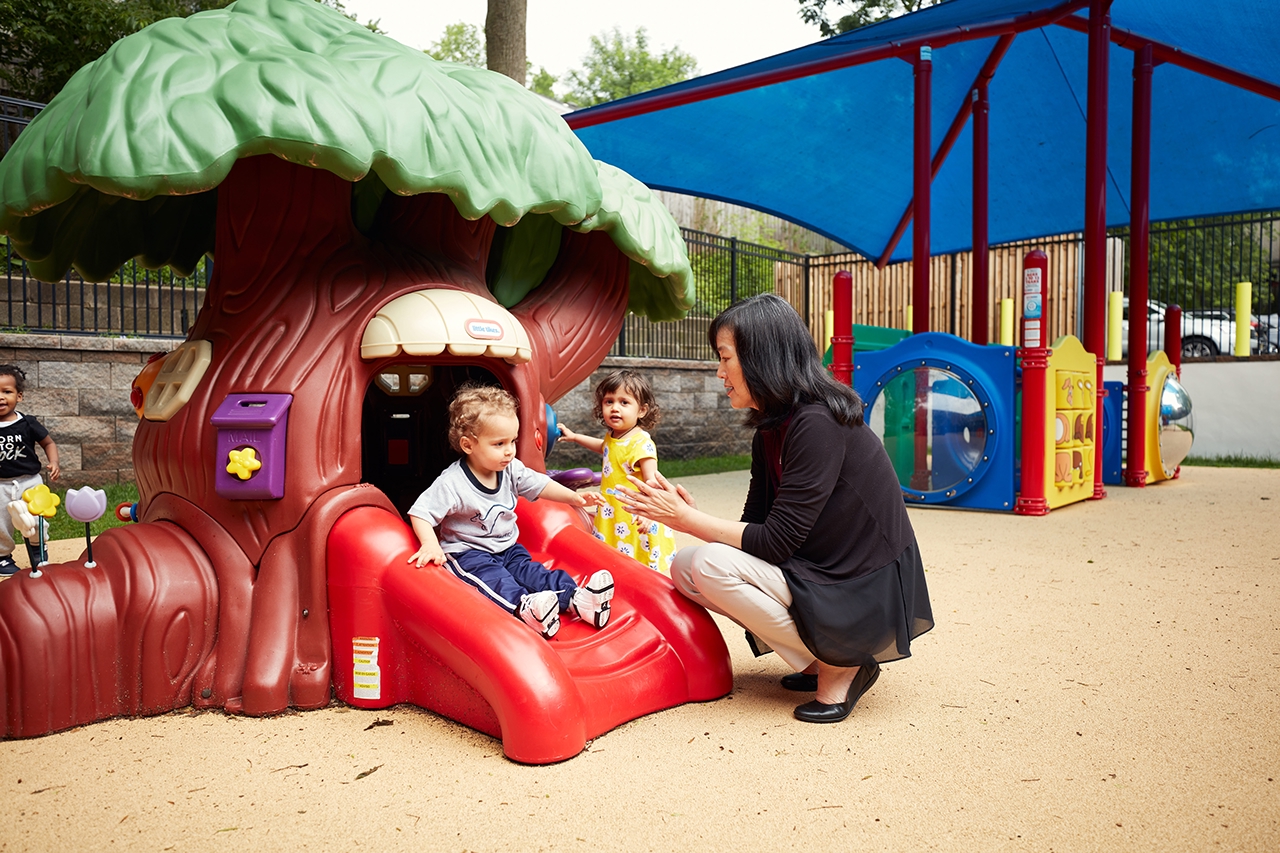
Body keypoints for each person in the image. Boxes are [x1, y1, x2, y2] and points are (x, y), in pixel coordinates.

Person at [615, 294, 933, 724]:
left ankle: (845, 664)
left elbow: (777, 542)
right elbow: (757, 527)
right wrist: (690, 515)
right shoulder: (772, 429)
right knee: (686, 567)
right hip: (822, 570)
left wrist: (688, 521)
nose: (719, 371)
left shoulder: (817, 422)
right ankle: (821, 659)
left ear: (760, 357)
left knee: (708, 564)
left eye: (725, 358)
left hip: (861, 585)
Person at [406, 384, 614, 639]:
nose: (509, 450)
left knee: (534, 573)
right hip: (470, 554)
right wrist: (430, 544)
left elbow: (540, 484)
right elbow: (421, 512)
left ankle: (578, 600)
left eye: (512, 441)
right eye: (499, 443)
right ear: (468, 445)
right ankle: (525, 607)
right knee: (497, 581)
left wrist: (575, 497)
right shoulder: (452, 483)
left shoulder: (510, 468)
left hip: (507, 548)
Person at [557, 369, 677, 573]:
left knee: (638, 561)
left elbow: (652, 481)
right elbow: (603, 447)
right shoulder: (613, 436)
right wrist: (575, 437)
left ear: (641, 410)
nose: (615, 408)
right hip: (613, 511)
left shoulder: (641, 444)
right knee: (615, 558)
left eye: (624, 402)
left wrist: (650, 514)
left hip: (634, 515)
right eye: (609, 401)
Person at [0, 365, 60, 575]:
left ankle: (38, 550)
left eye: (6, 392)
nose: (1, 397)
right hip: (0, 486)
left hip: (30, 482)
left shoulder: (28, 423)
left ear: (19, 396)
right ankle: (2, 557)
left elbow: (48, 443)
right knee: (1, 523)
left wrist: (53, 462)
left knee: (37, 518)